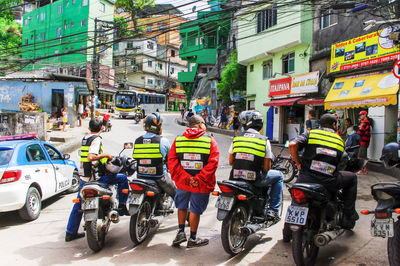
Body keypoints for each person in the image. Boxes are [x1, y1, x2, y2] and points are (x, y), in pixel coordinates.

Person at [289, 113, 358, 230]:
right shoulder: (339, 141)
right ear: (334, 125)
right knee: (352, 178)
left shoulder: (310, 134)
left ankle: (287, 231)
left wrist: (298, 163)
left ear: (320, 124)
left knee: (296, 196)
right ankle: (348, 215)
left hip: (306, 178)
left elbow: (292, 144)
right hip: (329, 182)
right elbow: (343, 161)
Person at [65, 118, 129, 242]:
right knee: (123, 179)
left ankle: (70, 232)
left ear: (89, 128)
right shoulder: (97, 139)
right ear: (101, 128)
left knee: (78, 204)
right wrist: (106, 155)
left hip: (84, 177)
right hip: (96, 178)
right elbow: (91, 156)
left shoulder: (85, 139)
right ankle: (121, 206)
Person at [168, 115, 219, 248]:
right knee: (195, 209)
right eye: (204, 123)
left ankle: (180, 232)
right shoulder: (210, 141)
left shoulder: (178, 140)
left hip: (183, 182)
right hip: (200, 184)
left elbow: (172, 161)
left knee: (182, 205)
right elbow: (213, 163)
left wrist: (186, 178)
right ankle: (193, 238)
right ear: (200, 124)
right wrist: (198, 179)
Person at [229, 110, 283, 220]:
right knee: (279, 176)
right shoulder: (264, 141)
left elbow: (231, 162)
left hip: (235, 177)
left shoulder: (237, 138)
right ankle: (273, 210)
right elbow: (267, 168)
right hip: (254, 179)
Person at [132, 113, 176, 198]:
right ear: (158, 126)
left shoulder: (138, 140)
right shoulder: (163, 140)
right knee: (176, 194)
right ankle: (185, 210)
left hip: (140, 176)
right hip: (159, 177)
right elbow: (171, 158)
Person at [357, 110, 371, 175]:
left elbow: (360, 132)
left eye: (361, 115)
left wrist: (359, 129)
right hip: (365, 142)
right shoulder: (367, 122)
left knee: (361, 156)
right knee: (363, 156)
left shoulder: (364, 123)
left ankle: (362, 170)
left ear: (365, 115)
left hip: (363, 142)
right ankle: (364, 169)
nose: (360, 116)